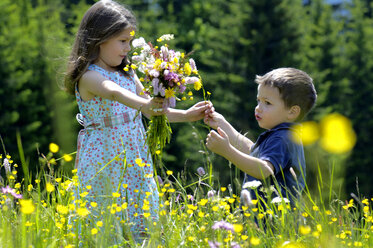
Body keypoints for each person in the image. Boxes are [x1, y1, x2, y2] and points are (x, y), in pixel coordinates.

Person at [63, 0, 211, 242]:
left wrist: (186, 115)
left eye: (130, 42)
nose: (127, 48)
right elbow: (112, 92)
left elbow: (151, 110)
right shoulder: (89, 76)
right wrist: (144, 104)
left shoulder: (128, 72)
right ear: (100, 38)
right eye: (122, 41)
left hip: (135, 160)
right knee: (105, 223)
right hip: (104, 160)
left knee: (140, 224)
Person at [204, 68, 317, 206]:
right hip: (266, 220)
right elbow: (253, 152)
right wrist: (222, 124)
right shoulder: (280, 135)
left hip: (273, 223)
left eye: (267, 103)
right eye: (258, 101)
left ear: (292, 112)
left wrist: (227, 150)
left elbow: (264, 169)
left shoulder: (282, 139)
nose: (258, 108)